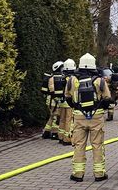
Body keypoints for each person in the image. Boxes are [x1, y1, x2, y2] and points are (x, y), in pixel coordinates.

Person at [65, 53, 111, 182]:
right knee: (97, 145)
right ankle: (99, 174)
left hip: (78, 117)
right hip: (96, 117)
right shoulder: (99, 80)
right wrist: (101, 108)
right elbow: (107, 98)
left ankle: (77, 174)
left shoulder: (72, 80)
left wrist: (76, 108)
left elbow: (67, 97)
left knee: (79, 145)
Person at [42, 61, 64, 140]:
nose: (63, 69)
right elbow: (52, 89)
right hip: (53, 101)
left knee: (52, 116)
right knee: (56, 117)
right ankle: (54, 133)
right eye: (61, 67)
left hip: (52, 100)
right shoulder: (53, 78)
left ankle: (46, 132)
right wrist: (58, 99)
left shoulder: (54, 77)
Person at [58, 58, 76, 145]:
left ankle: (60, 137)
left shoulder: (62, 77)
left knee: (62, 120)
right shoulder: (71, 78)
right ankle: (67, 139)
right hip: (68, 102)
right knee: (69, 120)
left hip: (61, 102)